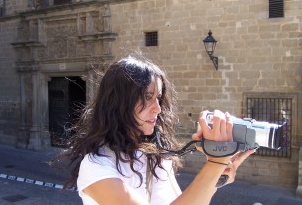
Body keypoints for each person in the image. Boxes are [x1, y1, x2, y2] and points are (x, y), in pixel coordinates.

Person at [62, 56, 254, 205]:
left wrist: (218, 174)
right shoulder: (96, 166)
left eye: (159, 98)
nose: (158, 108)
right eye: (147, 96)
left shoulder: (157, 156)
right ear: (118, 102)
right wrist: (215, 162)